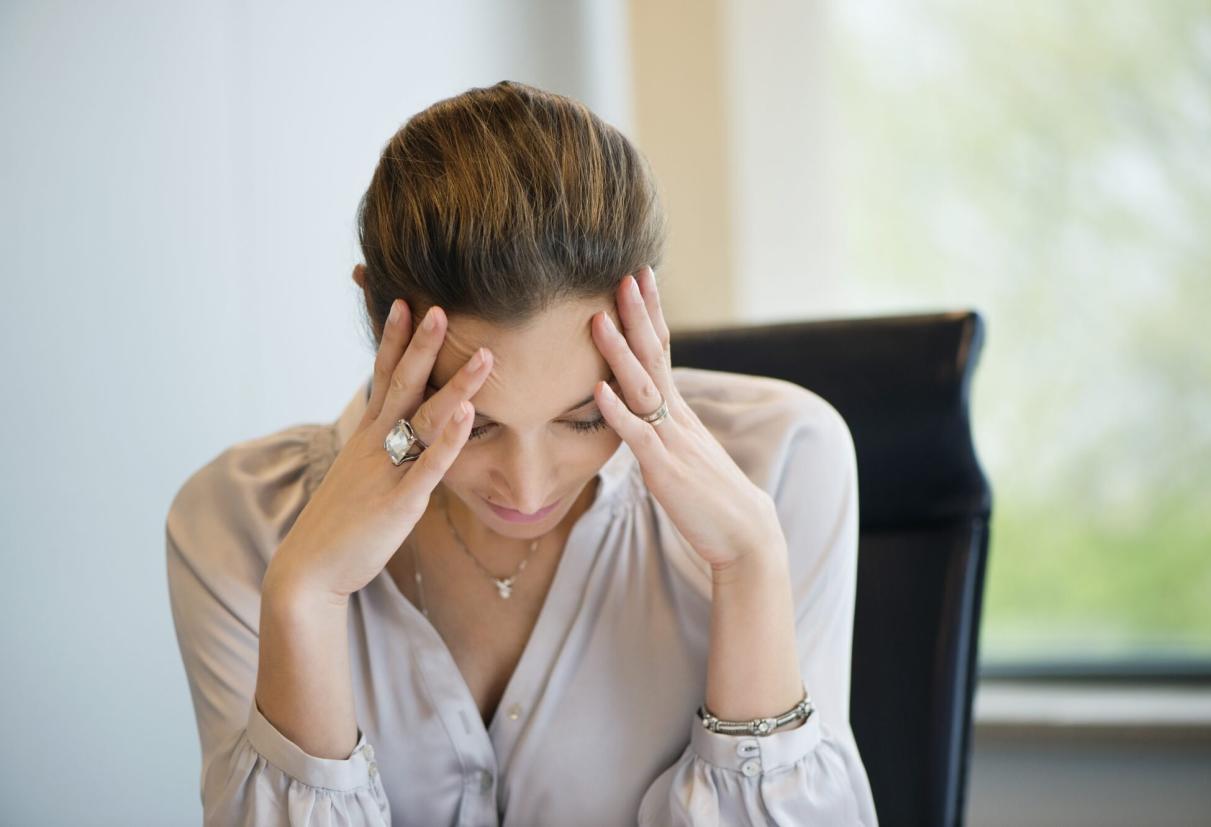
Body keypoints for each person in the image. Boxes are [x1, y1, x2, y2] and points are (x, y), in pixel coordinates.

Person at [165, 80, 878, 826]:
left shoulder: (785, 462)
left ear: (647, 317)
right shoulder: (237, 523)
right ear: (381, 323)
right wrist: (305, 600)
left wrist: (752, 563)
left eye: (581, 419)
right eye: (470, 426)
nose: (529, 487)